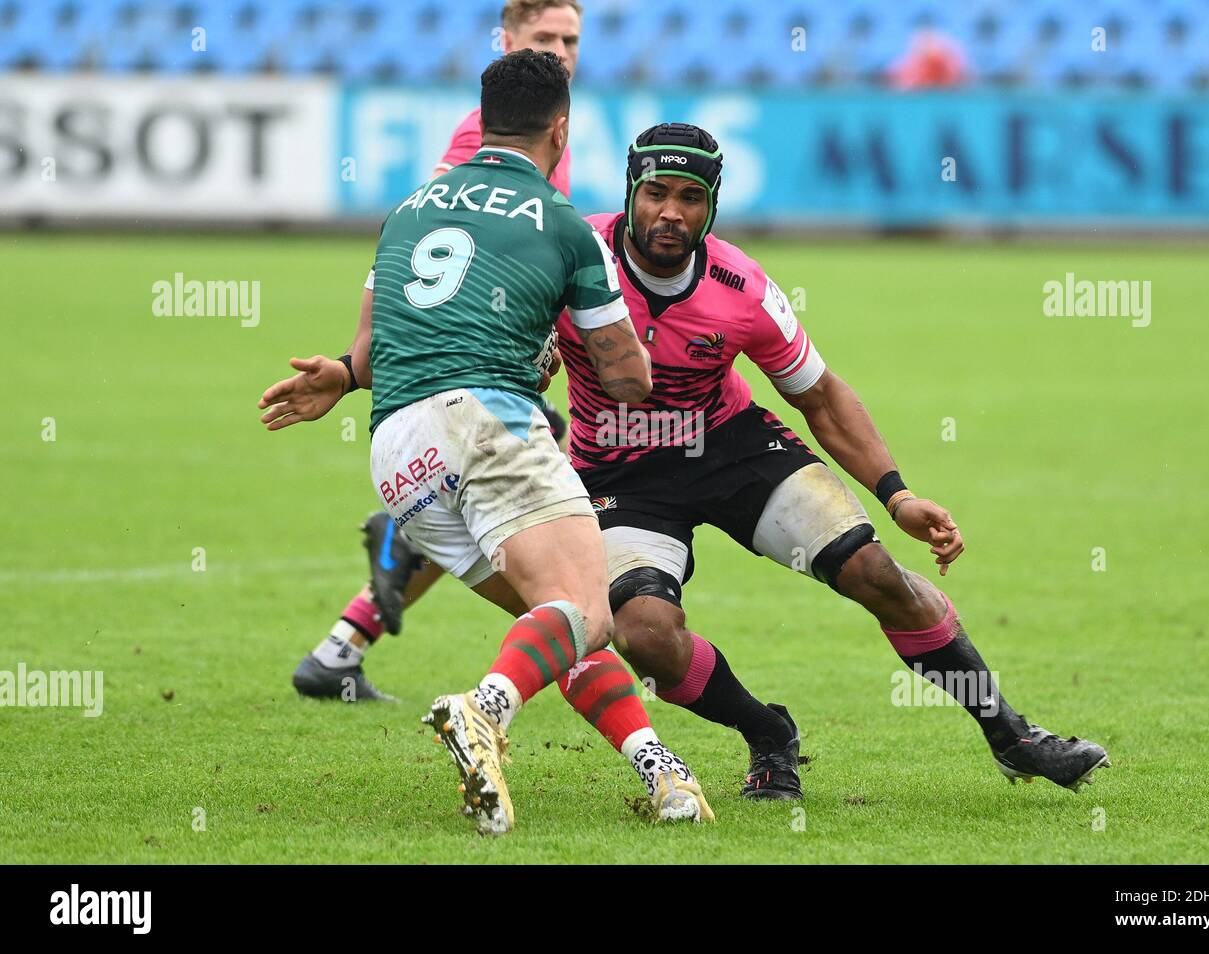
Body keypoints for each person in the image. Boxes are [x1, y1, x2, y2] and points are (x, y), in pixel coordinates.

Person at [552, 122, 1110, 799]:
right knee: (644, 634)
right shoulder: (572, 256)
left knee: (875, 572)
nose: (672, 213)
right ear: (631, 192)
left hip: (728, 444)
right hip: (619, 474)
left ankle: (1012, 737)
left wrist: (898, 495)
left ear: (714, 204)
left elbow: (820, 395)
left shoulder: (740, 286)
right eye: (657, 194)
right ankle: (767, 733)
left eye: (692, 198)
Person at [258, 52, 712, 835]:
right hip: (484, 424)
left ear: (485, 118)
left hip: (397, 451)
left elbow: (368, 351)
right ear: (560, 130)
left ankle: (659, 770)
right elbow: (627, 375)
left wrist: (336, 373)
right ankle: (481, 710)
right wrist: (557, 347)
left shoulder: (409, 210)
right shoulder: (566, 225)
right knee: (586, 609)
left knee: (555, 622)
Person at [292, 0, 585, 702]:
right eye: (545, 36)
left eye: (571, 38)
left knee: (487, 495)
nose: (562, 49)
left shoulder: (549, 134)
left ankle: (340, 650)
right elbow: (420, 238)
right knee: (533, 494)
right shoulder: (486, 139)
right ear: (505, 40)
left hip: (489, 369)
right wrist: (362, 355)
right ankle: (582, 640)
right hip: (463, 372)